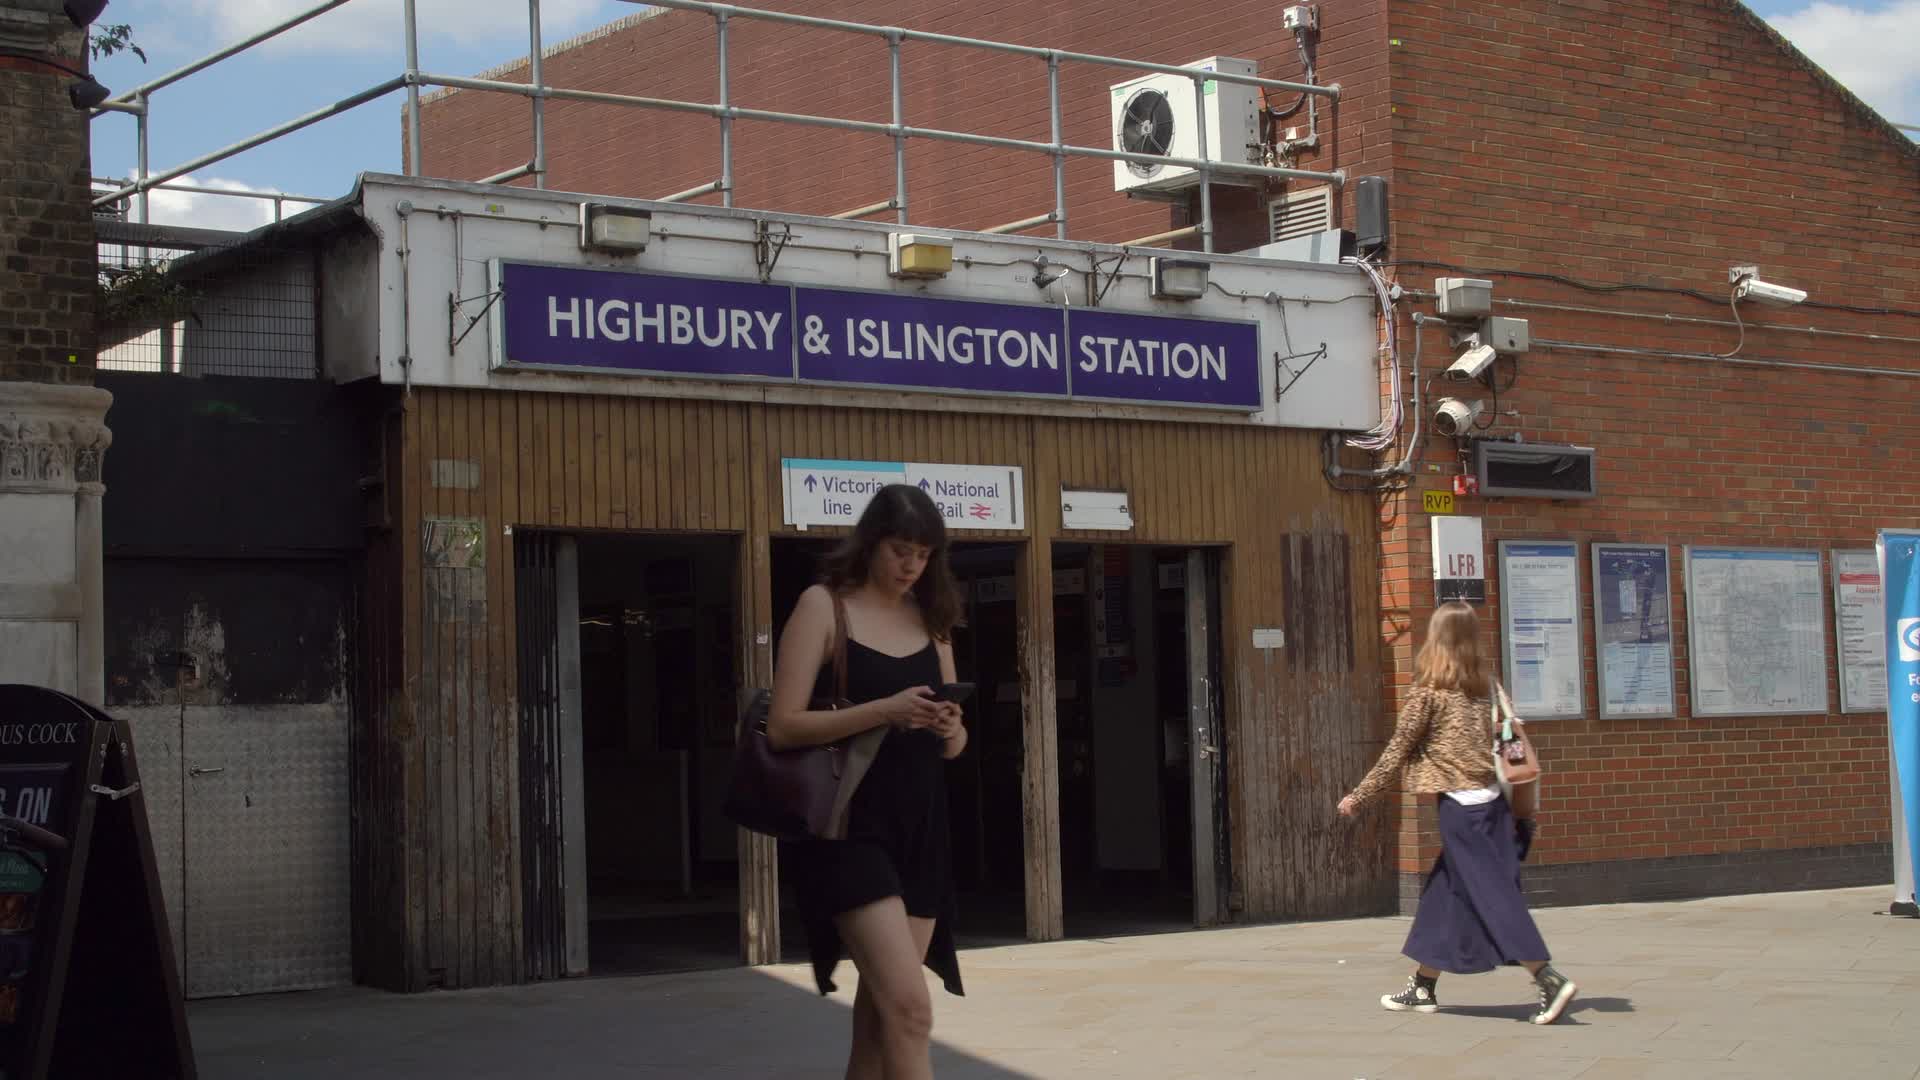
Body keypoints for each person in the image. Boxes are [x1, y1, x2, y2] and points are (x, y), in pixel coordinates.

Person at [769, 483, 968, 1080]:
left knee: (881, 1019)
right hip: (848, 827)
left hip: (922, 827)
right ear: (870, 543)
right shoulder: (823, 606)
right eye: (900, 550)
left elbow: (956, 746)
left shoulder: (932, 620)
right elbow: (782, 726)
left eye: (924, 554)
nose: (911, 565)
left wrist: (950, 725)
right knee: (909, 1010)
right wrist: (885, 709)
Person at [1337, 601, 1578, 1025]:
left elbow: (1397, 752)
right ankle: (1422, 986)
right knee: (1446, 893)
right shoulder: (1488, 687)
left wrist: (1360, 796)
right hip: (1495, 806)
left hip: (1461, 813)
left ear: (1436, 640)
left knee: (1493, 894)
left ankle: (1547, 978)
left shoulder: (1428, 693)